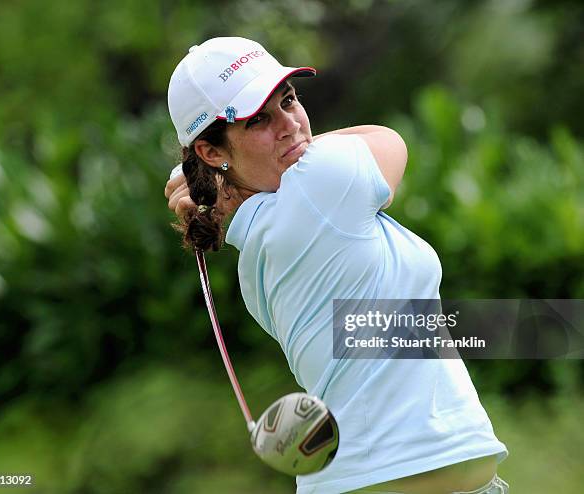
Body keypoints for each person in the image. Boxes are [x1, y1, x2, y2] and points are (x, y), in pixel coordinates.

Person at [164, 37, 509, 494]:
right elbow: (389, 140)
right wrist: (219, 182)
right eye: (259, 120)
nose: (290, 125)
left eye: (288, 100)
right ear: (211, 151)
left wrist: (217, 181)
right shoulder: (319, 186)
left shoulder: (259, 236)